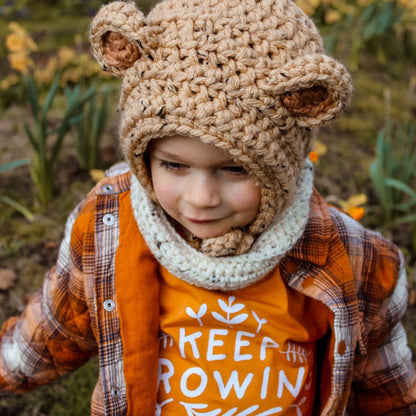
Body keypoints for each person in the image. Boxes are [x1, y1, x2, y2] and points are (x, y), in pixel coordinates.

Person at [1, 0, 415, 415]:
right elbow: (53, 332)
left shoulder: (352, 260)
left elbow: (388, 393)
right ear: (144, 160)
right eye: (173, 165)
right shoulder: (110, 229)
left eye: (235, 169)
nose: (200, 197)